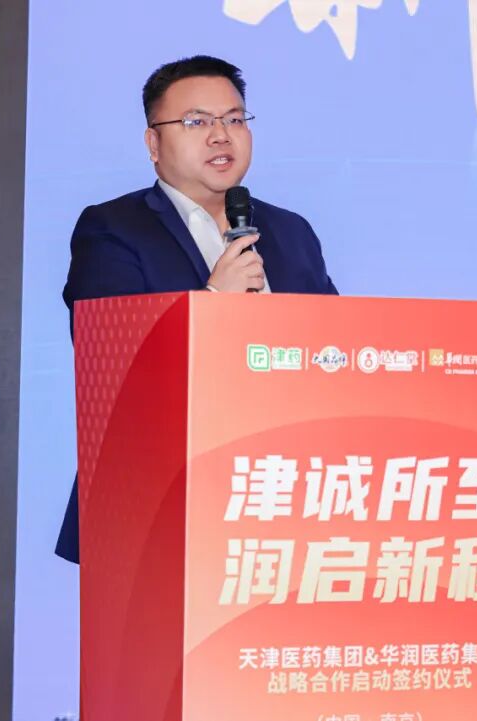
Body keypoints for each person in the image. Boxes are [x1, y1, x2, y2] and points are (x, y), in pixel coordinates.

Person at [55, 55, 338, 563]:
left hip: (283, 495)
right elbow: (110, 359)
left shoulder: (291, 231)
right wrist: (213, 302)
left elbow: (336, 345)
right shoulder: (113, 229)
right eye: (197, 122)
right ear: (153, 143)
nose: (221, 135)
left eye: (234, 119)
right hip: (159, 507)